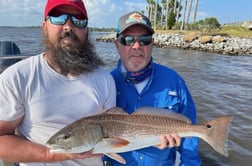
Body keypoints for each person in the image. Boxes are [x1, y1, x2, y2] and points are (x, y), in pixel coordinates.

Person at [0, 0, 116, 166]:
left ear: (87, 31)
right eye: (58, 17)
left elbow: (113, 135)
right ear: (44, 26)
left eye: (78, 20)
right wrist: (50, 154)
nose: (68, 26)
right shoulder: (17, 77)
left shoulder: (105, 80)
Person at [104, 11, 201, 165]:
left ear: (152, 44)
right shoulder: (106, 83)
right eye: (128, 40)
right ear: (117, 45)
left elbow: (191, 133)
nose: (136, 46)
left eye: (144, 39)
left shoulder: (174, 81)